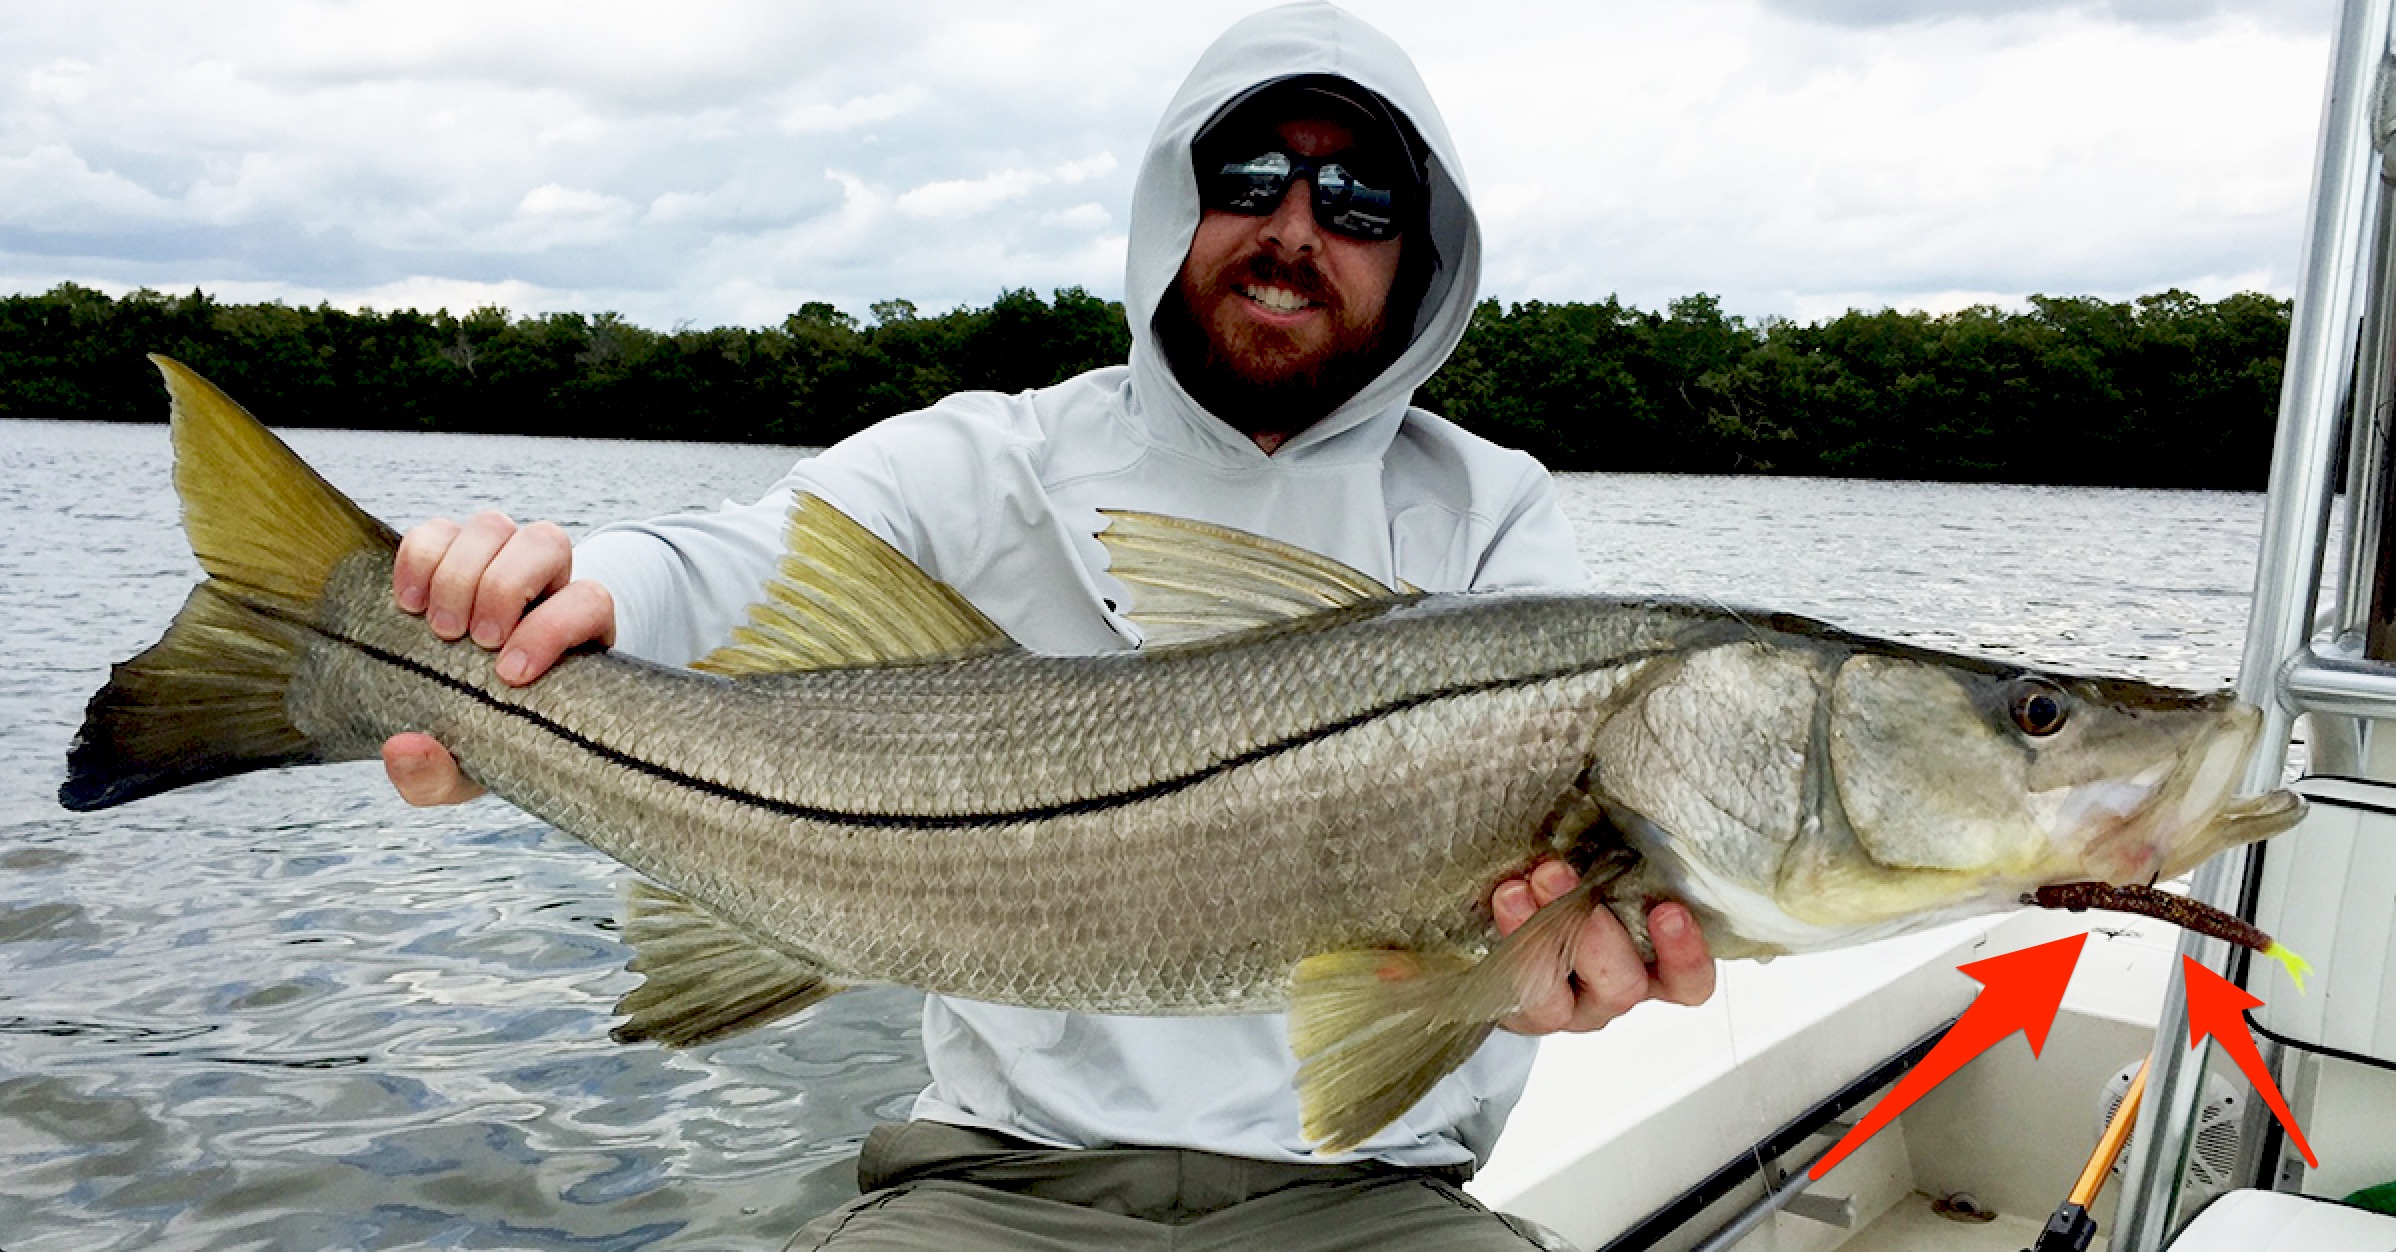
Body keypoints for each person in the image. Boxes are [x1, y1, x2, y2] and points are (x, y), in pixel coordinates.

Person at [381, 4, 1716, 1247]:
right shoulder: (984, 459)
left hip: (1374, 1197)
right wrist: (541, 596)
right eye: (1249, 174)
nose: (1296, 226)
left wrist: (1538, 974)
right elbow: (713, 567)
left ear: (1419, 256)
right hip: (990, 1181)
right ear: (1168, 205)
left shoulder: (1495, 513)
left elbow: (1564, 897)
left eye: (1360, 197)